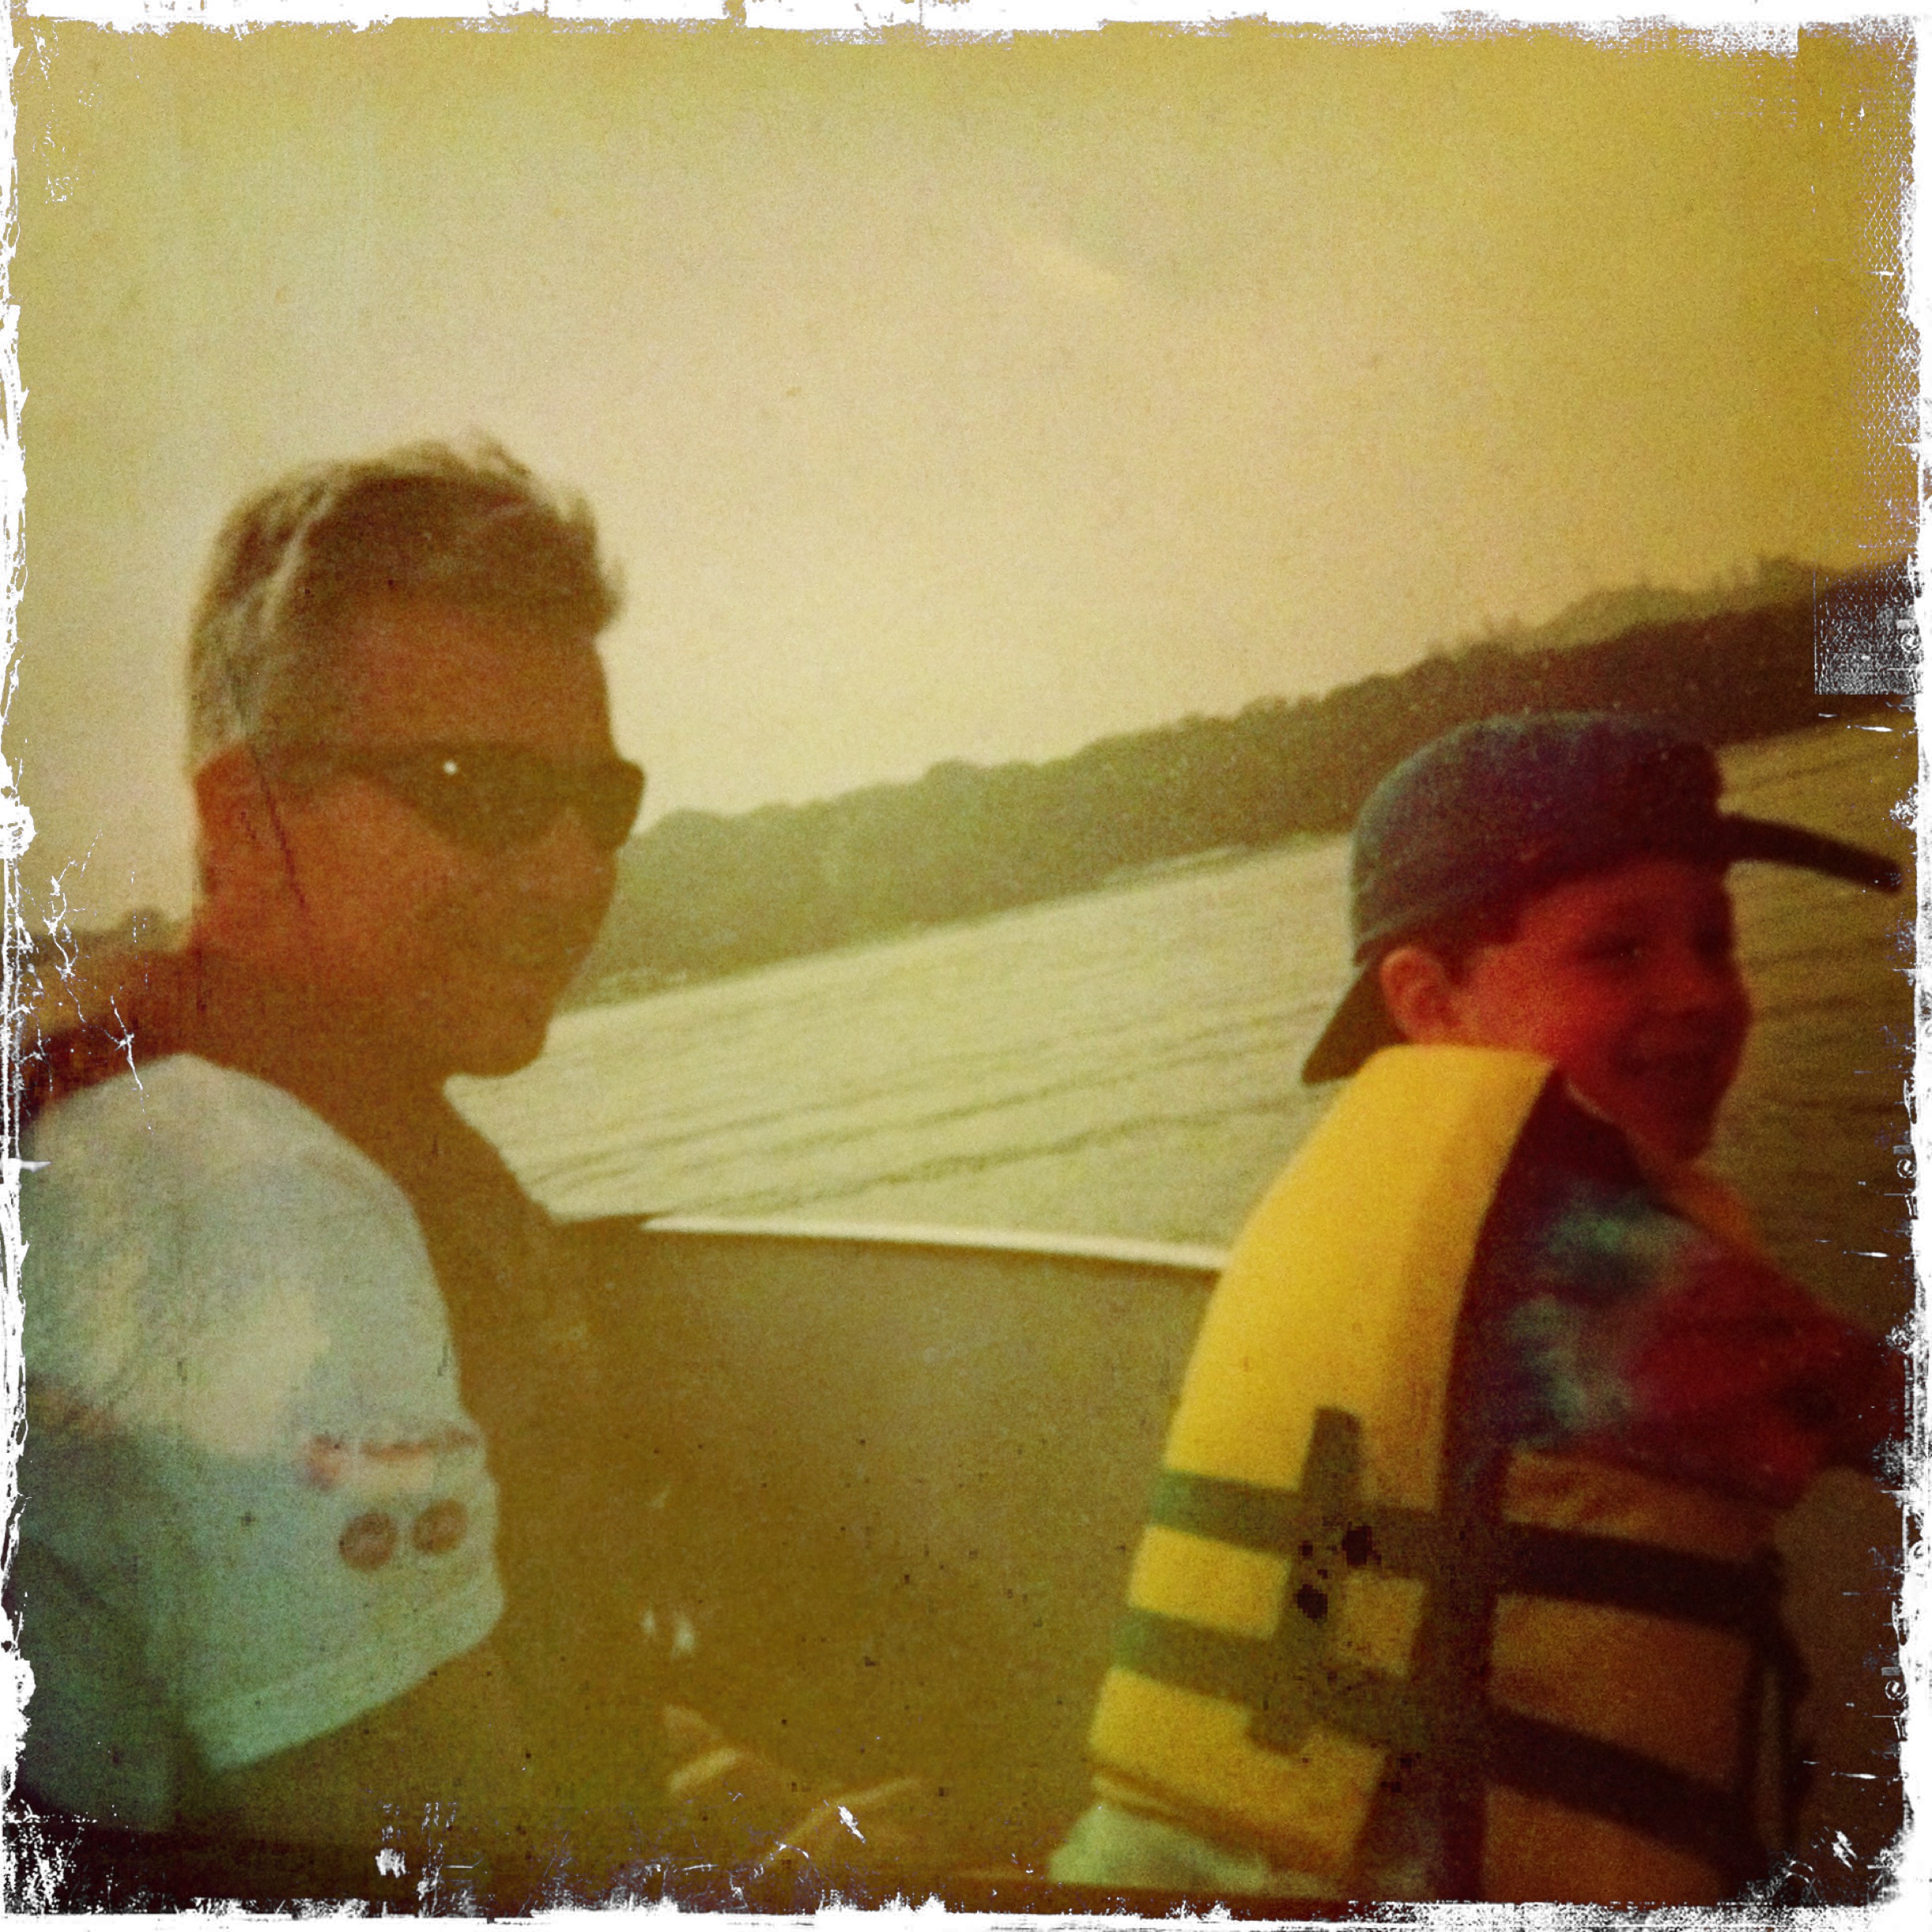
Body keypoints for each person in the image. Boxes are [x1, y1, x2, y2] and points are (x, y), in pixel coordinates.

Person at [8, 443, 923, 1903]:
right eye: (478, 791)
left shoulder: (201, 1127)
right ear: (245, 821)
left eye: (597, 803)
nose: (571, 870)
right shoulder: (247, 1204)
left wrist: (727, 1805)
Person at [1051, 711, 1906, 1905]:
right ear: (1429, 1001)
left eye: (1715, 941)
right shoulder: (1605, 1273)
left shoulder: (1356, 1206)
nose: (1698, 993)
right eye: (1617, 952)